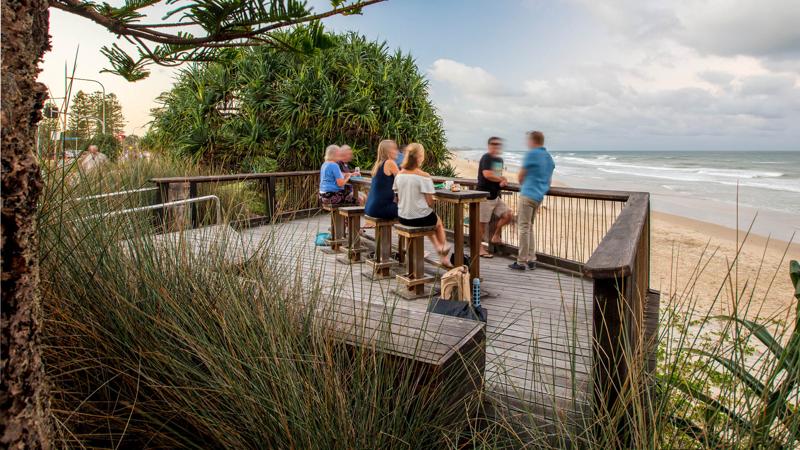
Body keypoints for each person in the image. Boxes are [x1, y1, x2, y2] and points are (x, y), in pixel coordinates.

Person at [393, 143, 452, 267]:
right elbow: (429, 202)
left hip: (403, 217)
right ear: (420, 157)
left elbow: (398, 197)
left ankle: (439, 248)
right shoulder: (424, 176)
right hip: (419, 218)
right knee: (438, 223)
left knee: (427, 220)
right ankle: (443, 249)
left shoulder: (399, 175)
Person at [510, 131, 555, 271]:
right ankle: (532, 259)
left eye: (528, 141)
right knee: (529, 227)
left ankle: (521, 261)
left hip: (528, 194)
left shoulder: (532, 154)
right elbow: (549, 178)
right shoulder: (548, 157)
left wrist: (525, 183)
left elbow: (521, 177)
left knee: (523, 227)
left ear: (533, 141)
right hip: (539, 196)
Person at [476, 137, 513, 258]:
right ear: (489, 145)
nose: (496, 146)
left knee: (508, 215)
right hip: (484, 197)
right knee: (481, 225)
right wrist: (502, 179)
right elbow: (487, 175)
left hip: (495, 197)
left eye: (498, 144)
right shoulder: (486, 157)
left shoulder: (498, 160)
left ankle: (495, 236)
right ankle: (479, 249)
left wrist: (502, 181)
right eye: (493, 144)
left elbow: (496, 176)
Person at [364, 139, 400, 220]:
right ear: (388, 151)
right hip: (381, 208)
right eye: (395, 148)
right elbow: (402, 180)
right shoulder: (390, 162)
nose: (397, 151)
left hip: (370, 208)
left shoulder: (378, 164)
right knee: (412, 212)